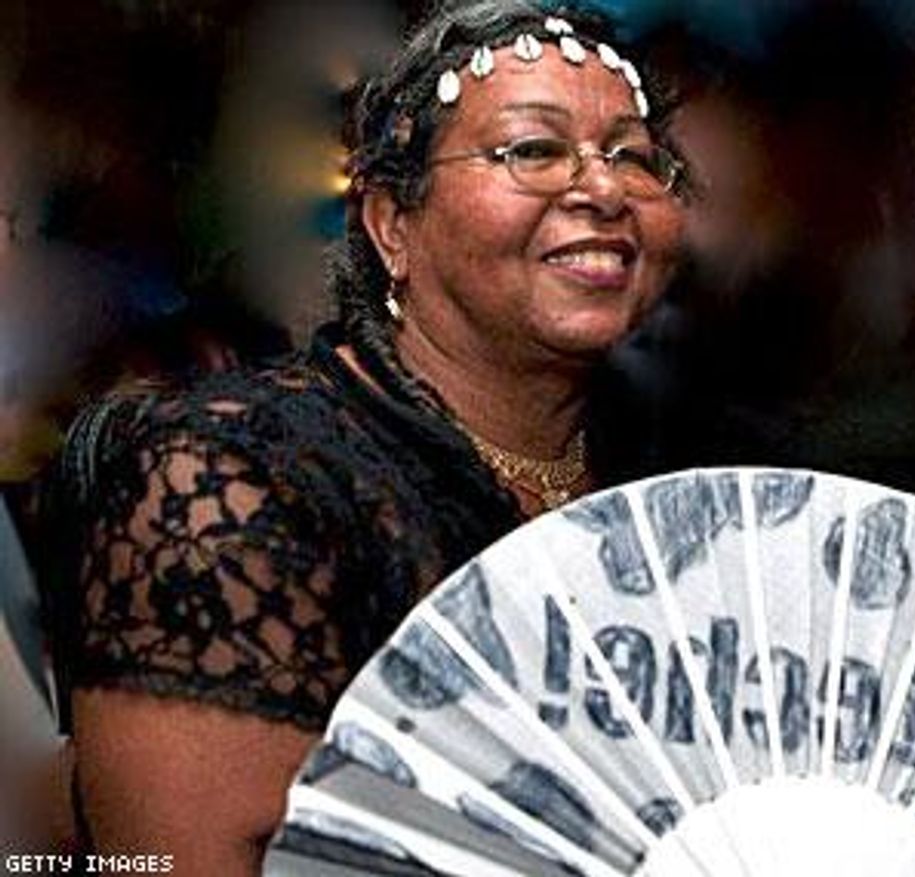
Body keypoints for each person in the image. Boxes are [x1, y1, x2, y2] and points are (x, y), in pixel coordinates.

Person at [42, 2, 686, 872]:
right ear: (391, 224)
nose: (604, 189)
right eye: (533, 148)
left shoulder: (684, 469)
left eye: (633, 157)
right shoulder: (230, 482)